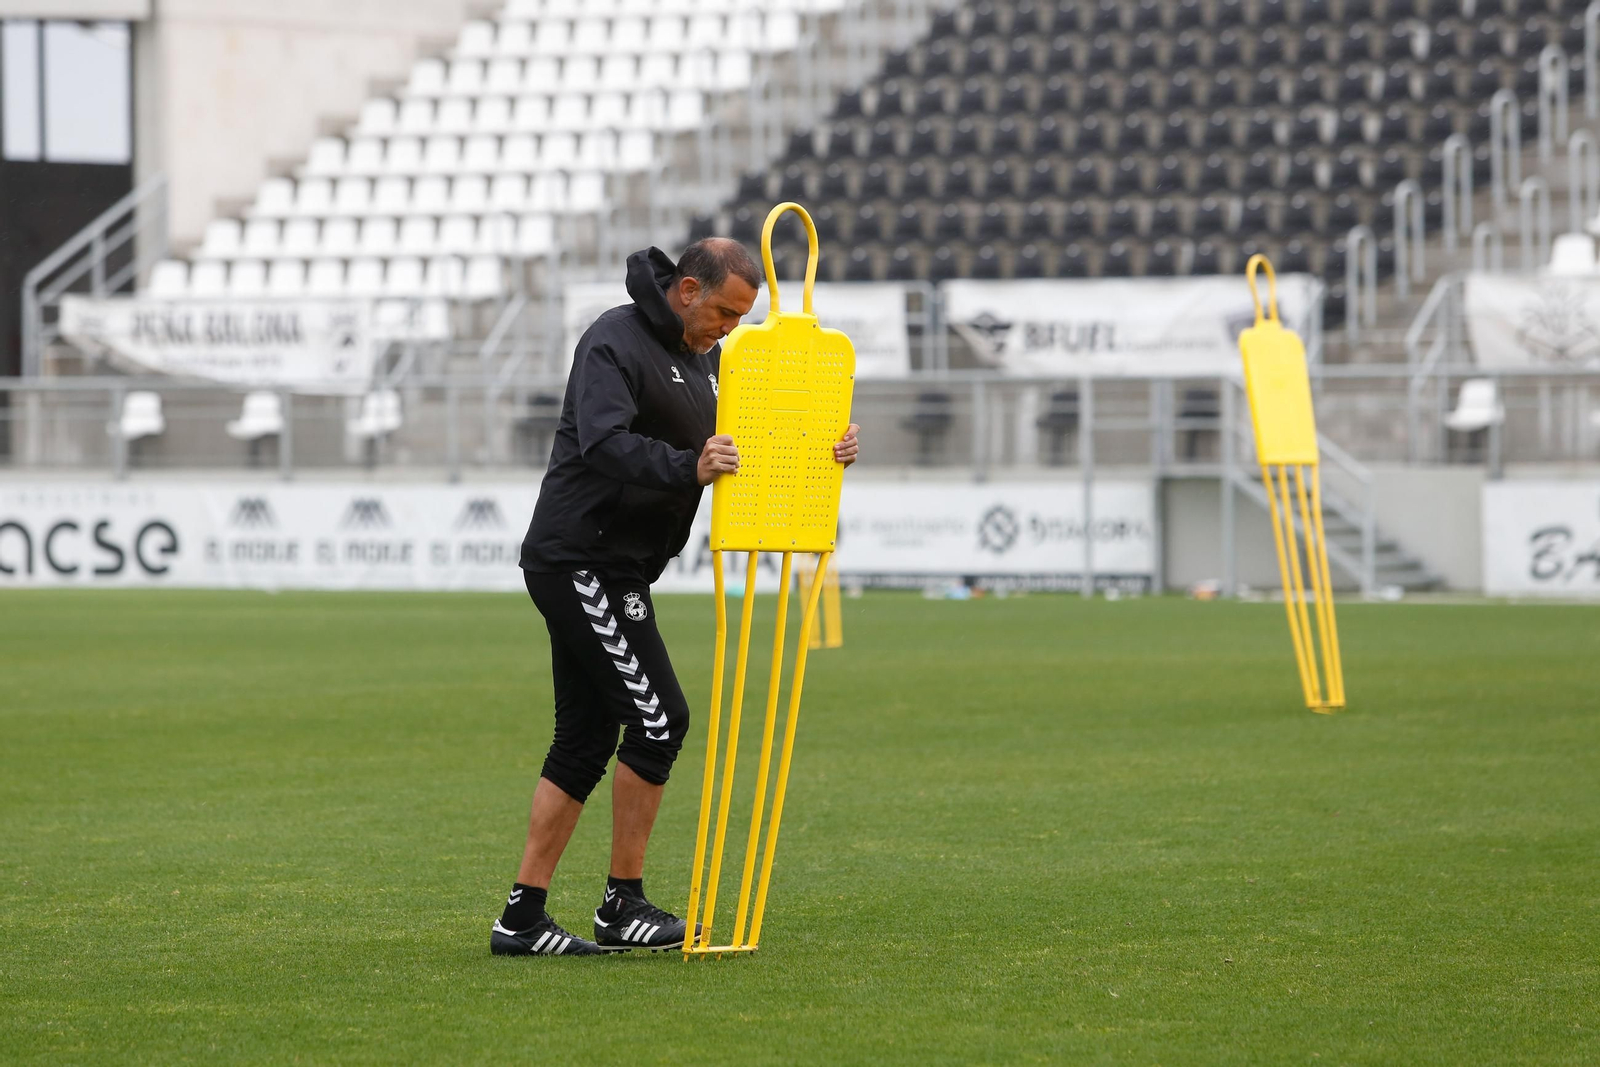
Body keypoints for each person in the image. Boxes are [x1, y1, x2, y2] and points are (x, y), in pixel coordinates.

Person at [492, 238, 861, 956]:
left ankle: (523, 918)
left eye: (740, 318)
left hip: (616, 566)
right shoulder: (613, 339)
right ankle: (620, 904)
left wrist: (827, 445)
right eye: (724, 311)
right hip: (581, 558)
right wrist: (688, 465)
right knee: (660, 719)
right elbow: (602, 443)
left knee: (587, 737)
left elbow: (756, 440)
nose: (729, 328)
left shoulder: (708, 359)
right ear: (688, 289)